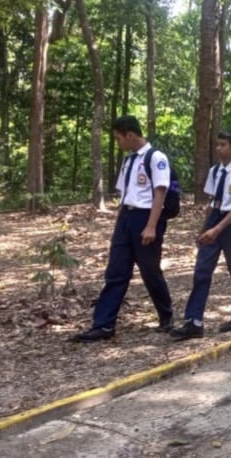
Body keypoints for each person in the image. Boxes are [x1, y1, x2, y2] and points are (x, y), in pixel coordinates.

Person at [72, 116, 174, 342]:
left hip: (146, 217)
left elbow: (160, 192)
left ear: (130, 134)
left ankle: (166, 315)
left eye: (118, 138)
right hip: (126, 217)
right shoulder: (128, 161)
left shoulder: (155, 157)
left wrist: (150, 226)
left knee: (149, 270)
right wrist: (120, 224)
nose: (117, 143)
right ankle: (104, 325)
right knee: (116, 272)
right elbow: (125, 195)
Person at [171, 130, 231, 340]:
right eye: (217, 145)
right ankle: (194, 321)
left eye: (223, 145)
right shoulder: (215, 171)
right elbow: (211, 202)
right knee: (202, 269)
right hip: (215, 219)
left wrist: (218, 229)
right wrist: (205, 227)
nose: (219, 149)